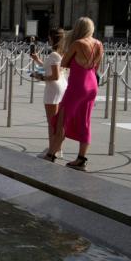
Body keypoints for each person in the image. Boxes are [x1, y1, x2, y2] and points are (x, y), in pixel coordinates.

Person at [44, 17, 103, 171]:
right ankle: (81, 159)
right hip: (92, 85)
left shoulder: (78, 43)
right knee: (85, 121)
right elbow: (97, 65)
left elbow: (63, 63)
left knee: (61, 119)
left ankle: (51, 154)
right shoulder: (98, 44)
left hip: (78, 85)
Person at [31, 29, 68, 157]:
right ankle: (57, 148)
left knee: (52, 122)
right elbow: (50, 68)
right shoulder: (61, 53)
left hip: (53, 88)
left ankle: (52, 151)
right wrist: (38, 60)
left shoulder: (53, 55)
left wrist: (39, 77)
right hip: (62, 87)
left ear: (51, 39)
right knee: (58, 121)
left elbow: (54, 76)